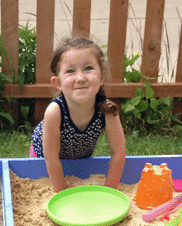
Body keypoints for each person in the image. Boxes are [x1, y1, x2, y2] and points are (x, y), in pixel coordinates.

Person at [29, 36, 126, 193]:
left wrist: (110, 190)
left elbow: (119, 153)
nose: (80, 78)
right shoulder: (55, 111)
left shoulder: (107, 110)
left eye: (88, 68)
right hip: (43, 158)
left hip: (79, 159)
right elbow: (51, 157)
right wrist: (62, 191)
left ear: (101, 77)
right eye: (70, 71)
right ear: (58, 83)